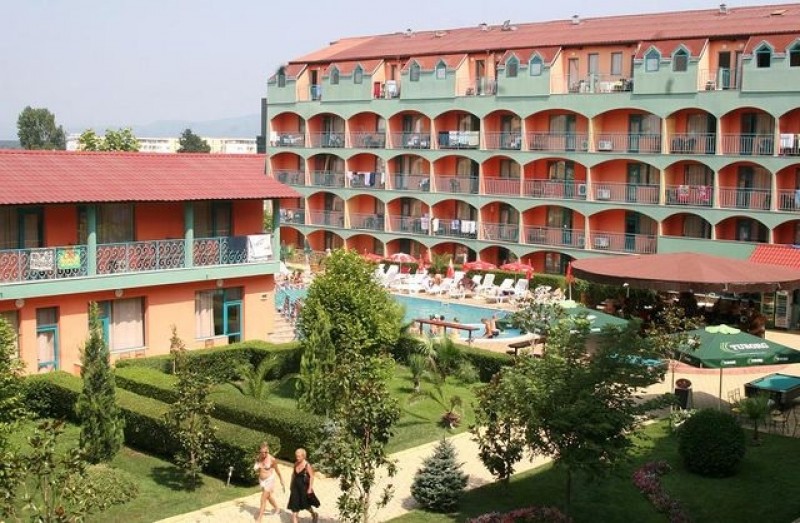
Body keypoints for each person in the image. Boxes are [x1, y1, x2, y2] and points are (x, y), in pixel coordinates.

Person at [254, 442, 285, 522]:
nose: (263, 454)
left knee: (263, 498)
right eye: (261, 452)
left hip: (269, 480)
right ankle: (277, 509)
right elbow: (257, 467)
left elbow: (277, 471)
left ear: (268, 451)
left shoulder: (272, 459)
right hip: (261, 480)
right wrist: (256, 467)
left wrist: (281, 480)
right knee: (268, 496)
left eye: (265, 452)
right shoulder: (259, 457)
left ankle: (259, 518)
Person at [288, 448, 319, 523]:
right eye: (296, 456)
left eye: (299, 456)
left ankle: (314, 514)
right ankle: (295, 519)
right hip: (295, 487)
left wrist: (310, 488)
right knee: (294, 508)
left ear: (303, 456)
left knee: (306, 505)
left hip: (304, 488)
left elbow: (312, 476)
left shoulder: (307, 465)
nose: (297, 458)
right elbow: (293, 475)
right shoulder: (296, 463)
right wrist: (291, 485)